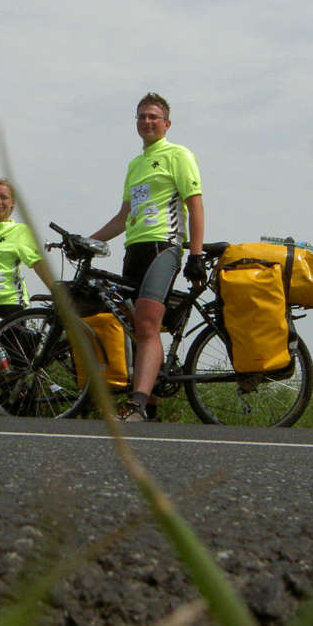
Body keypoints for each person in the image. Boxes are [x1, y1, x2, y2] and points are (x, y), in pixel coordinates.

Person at [89, 93, 205, 422]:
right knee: (135, 326)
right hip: (134, 249)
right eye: (141, 116)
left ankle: (137, 404)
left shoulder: (177, 155)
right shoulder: (135, 165)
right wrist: (88, 241)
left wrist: (195, 252)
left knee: (147, 324)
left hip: (163, 247)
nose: (147, 121)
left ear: (166, 124)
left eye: (154, 117)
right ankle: (150, 406)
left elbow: (195, 204)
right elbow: (123, 216)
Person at [0, 178, 55, 415]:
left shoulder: (20, 232)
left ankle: (22, 417)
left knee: (17, 369)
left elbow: (36, 262)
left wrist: (55, 290)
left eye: (4, 197)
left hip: (9, 306)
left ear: (13, 203)